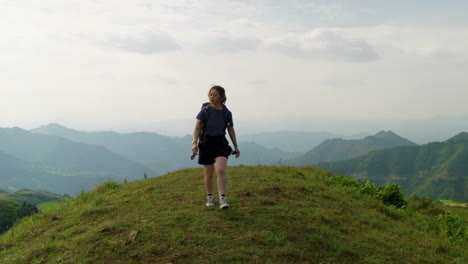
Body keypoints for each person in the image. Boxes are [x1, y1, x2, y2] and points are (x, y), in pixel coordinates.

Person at [192, 85, 240, 209]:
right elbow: (197, 128)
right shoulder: (205, 111)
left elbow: (230, 130)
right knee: (209, 173)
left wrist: (236, 146)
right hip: (206, 144)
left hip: (220, 143)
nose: (212, 97)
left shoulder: (226, 113)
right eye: (210, 94)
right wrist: (194, 143)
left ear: (222, 97)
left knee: (220, 170)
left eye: (215, 94)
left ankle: (222, 198)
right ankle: (210, 196)